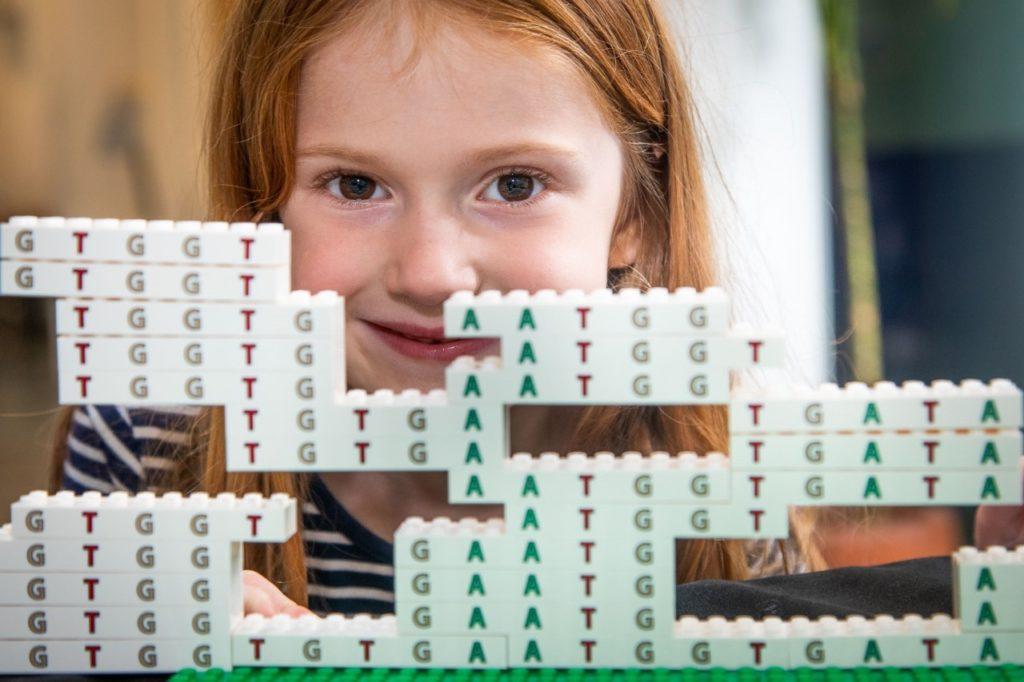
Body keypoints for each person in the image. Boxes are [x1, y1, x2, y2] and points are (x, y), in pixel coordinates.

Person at [49, 0, 1023, 619]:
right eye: (353, 185)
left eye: (513, 184)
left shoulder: (721, 459)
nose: (431, 272)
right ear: (264, 204)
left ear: (630, 220)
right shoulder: (152, 445)